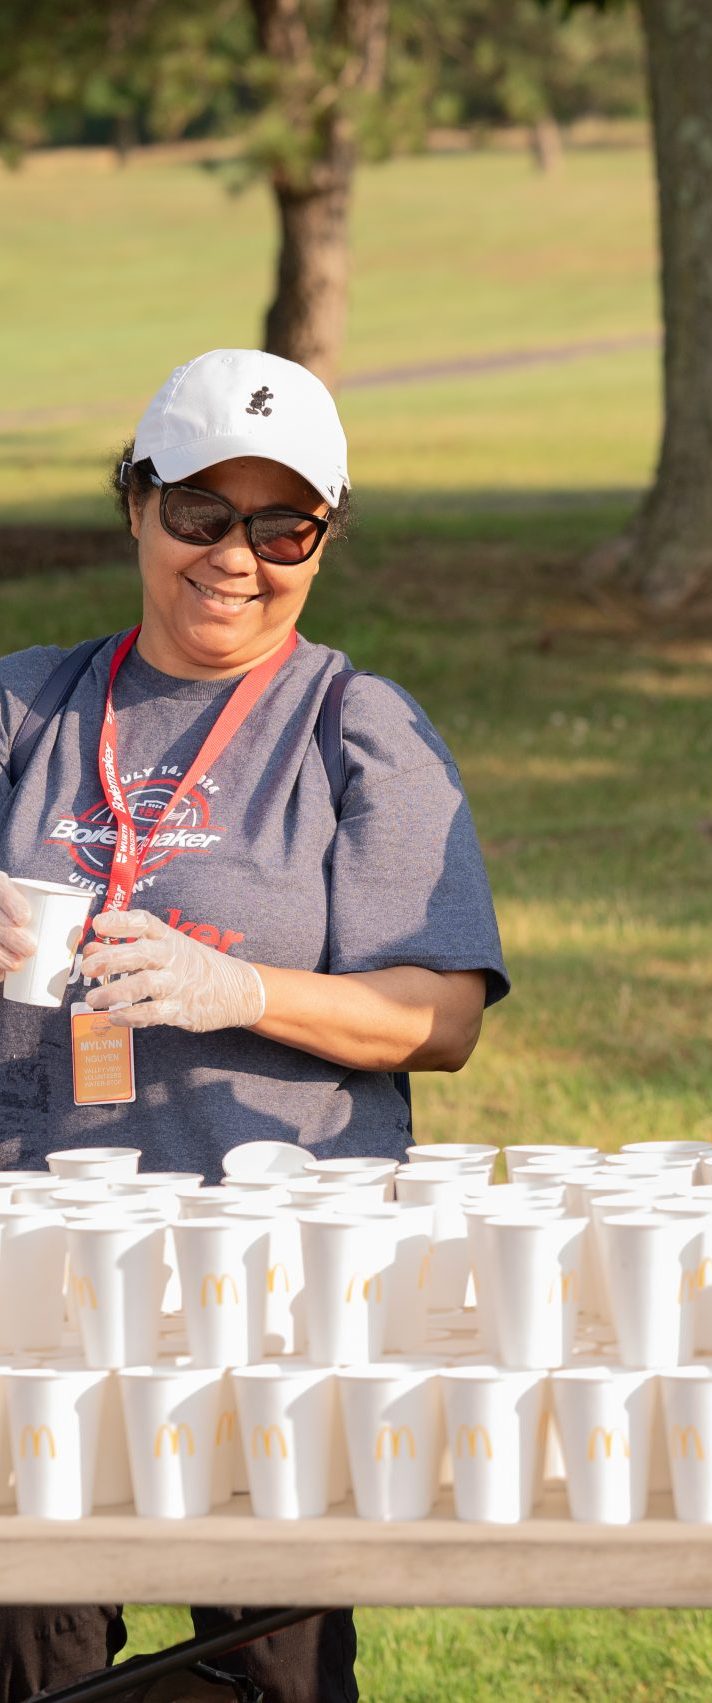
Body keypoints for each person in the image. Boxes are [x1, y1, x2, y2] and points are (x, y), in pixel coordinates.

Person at [0, 348, 510, 1703]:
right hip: (34, 1294)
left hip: (274, 1291)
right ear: (134, 506)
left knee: (270, 1672)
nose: (239, 556)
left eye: (285, 525)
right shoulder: (24, 706)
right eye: (201, 514)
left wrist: (243, 993)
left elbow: (443, 1017)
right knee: (30, 1661)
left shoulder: (361, 725)